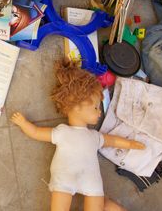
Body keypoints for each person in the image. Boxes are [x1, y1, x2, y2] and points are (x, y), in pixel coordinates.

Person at [11, 61, 146, 211]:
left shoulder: (94, 136)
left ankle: (106, 204)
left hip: (90, 179)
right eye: (95, 107)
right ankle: (105, 204)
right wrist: (23, 123)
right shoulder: (62, 132)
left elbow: (112, 140)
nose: (99, 111)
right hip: (65, 177)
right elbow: (37, 132)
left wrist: (130, 144)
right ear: (76, 107)